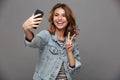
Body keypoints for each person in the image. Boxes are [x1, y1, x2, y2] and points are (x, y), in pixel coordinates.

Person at [22, 3, 81, 80]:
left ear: (68, 19)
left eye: (63, 15)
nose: (59, 18)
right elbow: (33, 43)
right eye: (56, 15)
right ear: (53, 18)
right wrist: (26, 29)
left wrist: (69, 51)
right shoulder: (46, 35)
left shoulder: (73, 42)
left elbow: (73, 70)